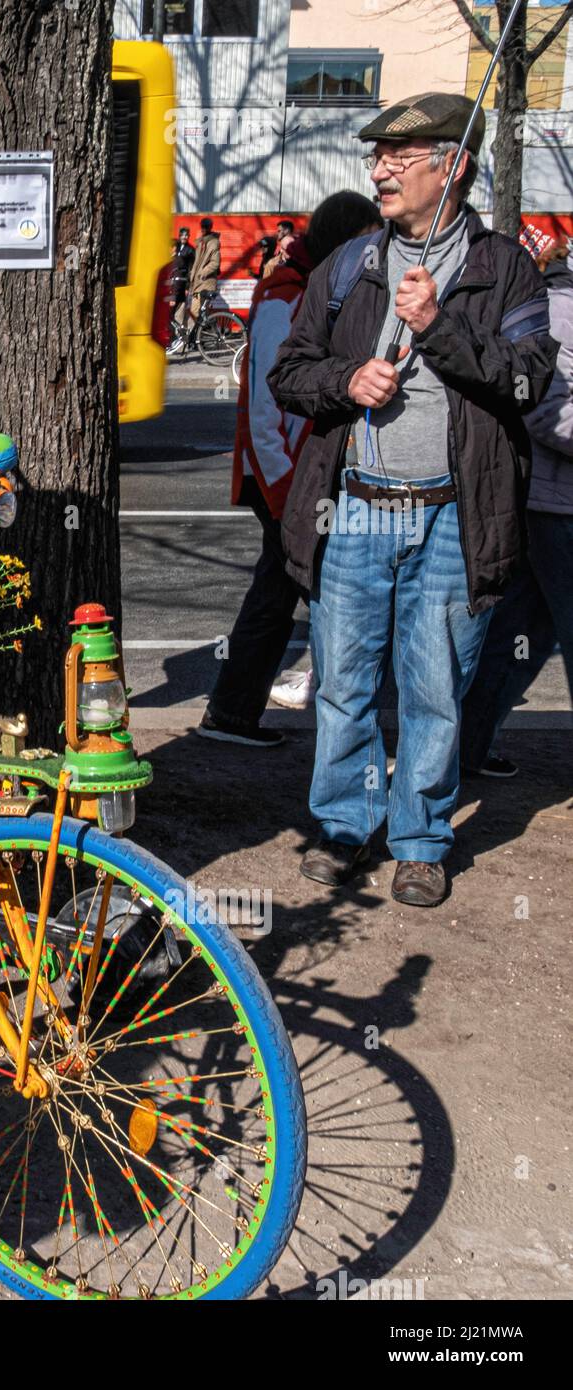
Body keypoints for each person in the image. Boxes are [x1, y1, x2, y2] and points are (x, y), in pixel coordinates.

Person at [268, 92, 556, 908]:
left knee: (436, 689)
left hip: (454, 518)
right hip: (356, 506)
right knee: (344, 684)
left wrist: (437, 328)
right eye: (378, 157)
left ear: (452, 166)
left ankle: (421, 838)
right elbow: (289, 373)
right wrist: (343, 381)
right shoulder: (348, 264)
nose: (381, 169)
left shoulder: (505, 269)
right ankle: (345, 827)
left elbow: (528, 379)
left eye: (403, 155)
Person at [198, 191, 380, 749]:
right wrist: (283, 491)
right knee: (301, 591)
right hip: (284, 478)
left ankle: (235, 713)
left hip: (292, 476)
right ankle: (245, 712)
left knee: (282, 594)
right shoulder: (286, 295)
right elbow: (264, 409)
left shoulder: (304, 288)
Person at [461, 235, 573, 777]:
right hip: (556, 508)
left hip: (550, 504)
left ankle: (466, 751)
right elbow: (542, 406)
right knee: (514, 637)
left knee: (514, 639)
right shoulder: (560, 310)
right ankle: (464, 750)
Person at [176, 217, 220, 341]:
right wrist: (192, 276)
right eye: (202, 227)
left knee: (195, 310)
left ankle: (192, 338)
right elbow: (195, 263)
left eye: (206, 227)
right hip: (197, 283)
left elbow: (215, 263)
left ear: (210, 227)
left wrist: (202, 273)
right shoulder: (200, 242)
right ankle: (203, 336)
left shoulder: (214, 243)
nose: (204, 229)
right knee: (201, 312)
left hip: (206, 284)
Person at [167, 226, 196, 355]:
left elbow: (190, 269)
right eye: (182, 235)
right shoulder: (175, 247)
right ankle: (175, 339)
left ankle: (181, 340)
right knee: (172, 316)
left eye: (186, 235)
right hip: (173, 285)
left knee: (177, 315)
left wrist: (187, 287)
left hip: (180, 285)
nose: (184, 237)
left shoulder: (190, 250)